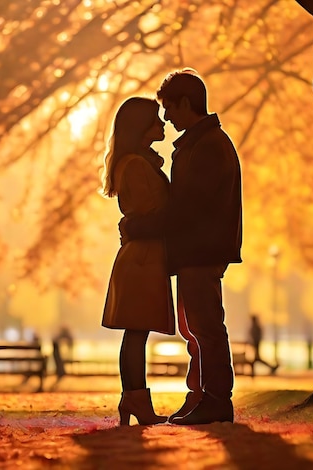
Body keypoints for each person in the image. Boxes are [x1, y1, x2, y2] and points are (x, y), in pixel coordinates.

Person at [121, 69, 242, 424]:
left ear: (186, 104)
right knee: (195, 329)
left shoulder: (206, 146)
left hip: (202, 251)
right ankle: (201, 394)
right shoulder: (198, 143)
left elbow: (186, 209)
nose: (168, 117)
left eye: (170, 108)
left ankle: (217, 398)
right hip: (195, 250)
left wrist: (137, 226)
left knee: (206, 327)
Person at [102, 96, 175, 426]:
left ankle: (132, 400)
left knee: (136, 333)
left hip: (144, 257)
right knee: (136, 332)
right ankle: (135, 399)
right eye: (156, 119)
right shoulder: (135, 165)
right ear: (140, 127)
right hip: (142, 260)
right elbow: (153, 214)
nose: (162, 124)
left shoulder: (139, 162)